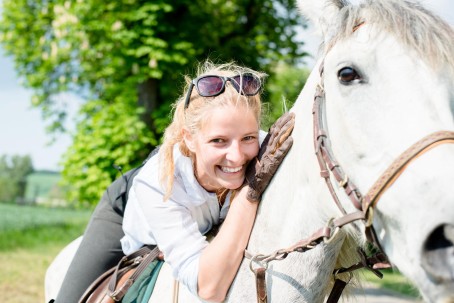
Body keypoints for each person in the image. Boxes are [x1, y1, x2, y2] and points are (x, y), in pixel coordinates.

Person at [54, 61, 295, 303]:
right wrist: (249, 192)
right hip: (127, 207)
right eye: (219, 141)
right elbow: (209, 288)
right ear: (189, 139)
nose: (237, 155)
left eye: (248, 137)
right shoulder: (156, 183)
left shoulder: (266, 151)